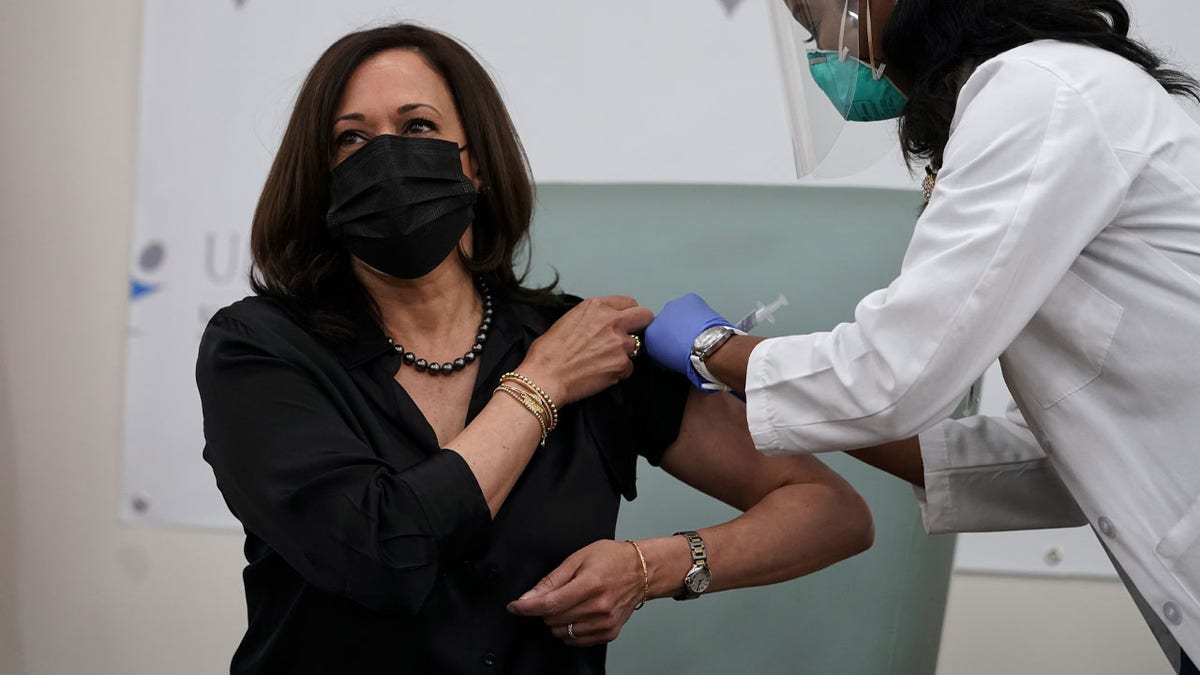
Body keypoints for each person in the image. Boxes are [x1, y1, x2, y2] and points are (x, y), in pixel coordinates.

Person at [196, 23, 873, 675]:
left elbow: (831, 510)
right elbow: (383, 552)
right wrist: (540, 383)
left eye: (419, 127)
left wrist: (650, 566)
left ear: (478, 166)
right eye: (351, 138)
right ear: (322, 178)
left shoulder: (592, 346)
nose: (387, 157)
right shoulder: (260, 350)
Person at [644, 0, 1200, 671]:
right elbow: (1073, 455)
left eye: (811, 14)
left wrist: (716, 351)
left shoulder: (1037, 92)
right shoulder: (1045, 93)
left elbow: (893, 378)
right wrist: (768, 390)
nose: (816, 42)